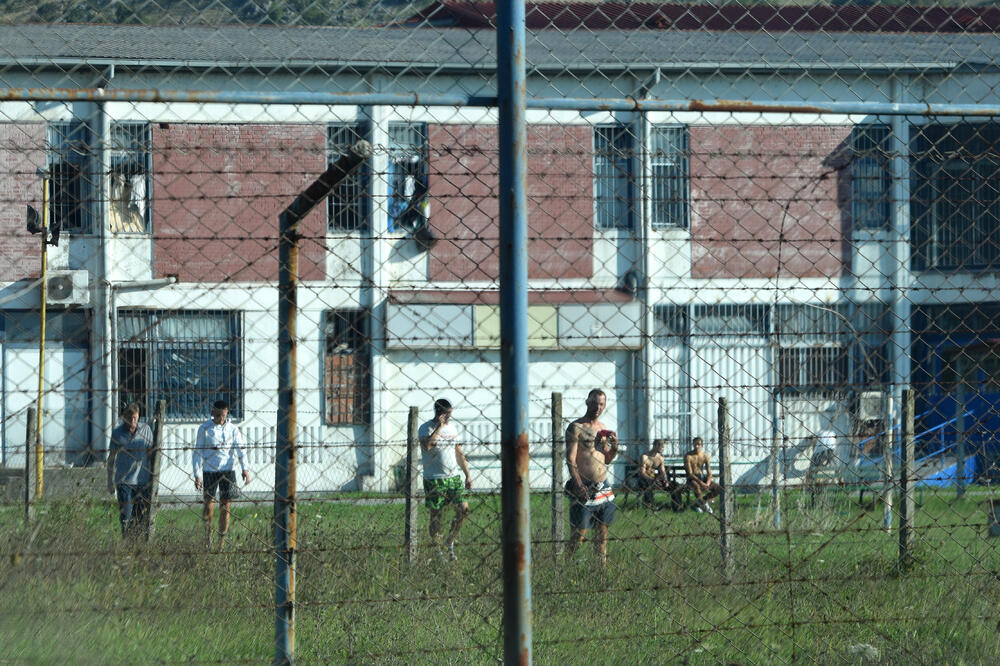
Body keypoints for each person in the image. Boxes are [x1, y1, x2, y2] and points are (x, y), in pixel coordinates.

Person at [565, 388, 618, 565]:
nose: (597, 407)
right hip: (584, 487)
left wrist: (615, 447)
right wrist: (578, 484)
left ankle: (600, 571)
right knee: (579, 535)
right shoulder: (576, 427)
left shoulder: (603, 429)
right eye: (594, 402)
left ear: (605, 405)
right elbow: (570, 459)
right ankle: (565, 565)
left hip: (603, 487)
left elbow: (607, 459)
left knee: (602, 536)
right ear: (587, 402)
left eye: (601, 403)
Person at [419, 398, 472, 561]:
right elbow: (427, 446)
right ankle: (437, 550)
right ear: (440, 413)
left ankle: (450, 542)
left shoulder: (453, 428)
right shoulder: (425, 428)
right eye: (447, 414)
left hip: (453, 478)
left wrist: (468, 474)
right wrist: (439, 427)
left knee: (464, 509)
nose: (450, 418)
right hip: (434, 479)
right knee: (436, 516)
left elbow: (459, 452)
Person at [192, 399, 250, 550]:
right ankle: (207, 539)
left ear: (226, 414)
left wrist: (245, 469)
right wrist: (197, 475)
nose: (221, 418)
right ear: (212, 413)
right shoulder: (204, 429)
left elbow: (241, 450)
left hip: (228, 471)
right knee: (209, 506)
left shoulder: (233, 429)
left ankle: (221, 542)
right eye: (218, 415)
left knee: (226, 507)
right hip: (209, 471)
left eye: (223, 415)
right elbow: (197, 452)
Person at [107, 402, 154, 539]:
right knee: (126, 518)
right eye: (129, 418)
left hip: (142, 481)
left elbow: (152, 455)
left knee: (140, 518)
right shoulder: (117, 433)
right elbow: (111, 458)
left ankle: (136, 546)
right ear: (123, 417)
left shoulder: (146, 430)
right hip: (124, 481)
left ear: (138, 416)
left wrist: (152, 478)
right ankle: (127, 544)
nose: (132, 421)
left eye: (135, 418)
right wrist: (109, 481)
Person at [638, 438, 681, 510]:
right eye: (661, 446)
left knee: (675, 485)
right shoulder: (644, 457)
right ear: (655, 446)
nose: (662, 449)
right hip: (644, 479)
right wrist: (652, 479)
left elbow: (663, 472)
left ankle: (677, 507)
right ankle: (651, 506)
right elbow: (642, 473)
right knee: (648, 483)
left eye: (663, 447)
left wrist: (665, 480)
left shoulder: (660, 458)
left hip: (655, 479)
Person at [684, 436, 720, 514]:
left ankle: (699, 503)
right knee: (697, 486)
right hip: (692, 479)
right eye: (695, 444)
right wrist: (701, 483)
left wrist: (707, 482)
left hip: (702, 477)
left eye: (698, 444)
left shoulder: (705, 456)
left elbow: (709, 472)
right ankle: (705, 505)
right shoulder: (688, 456)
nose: (697, 446)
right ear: (693, 445)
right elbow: (690, 473)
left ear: (702, 445)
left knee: (718, 488)